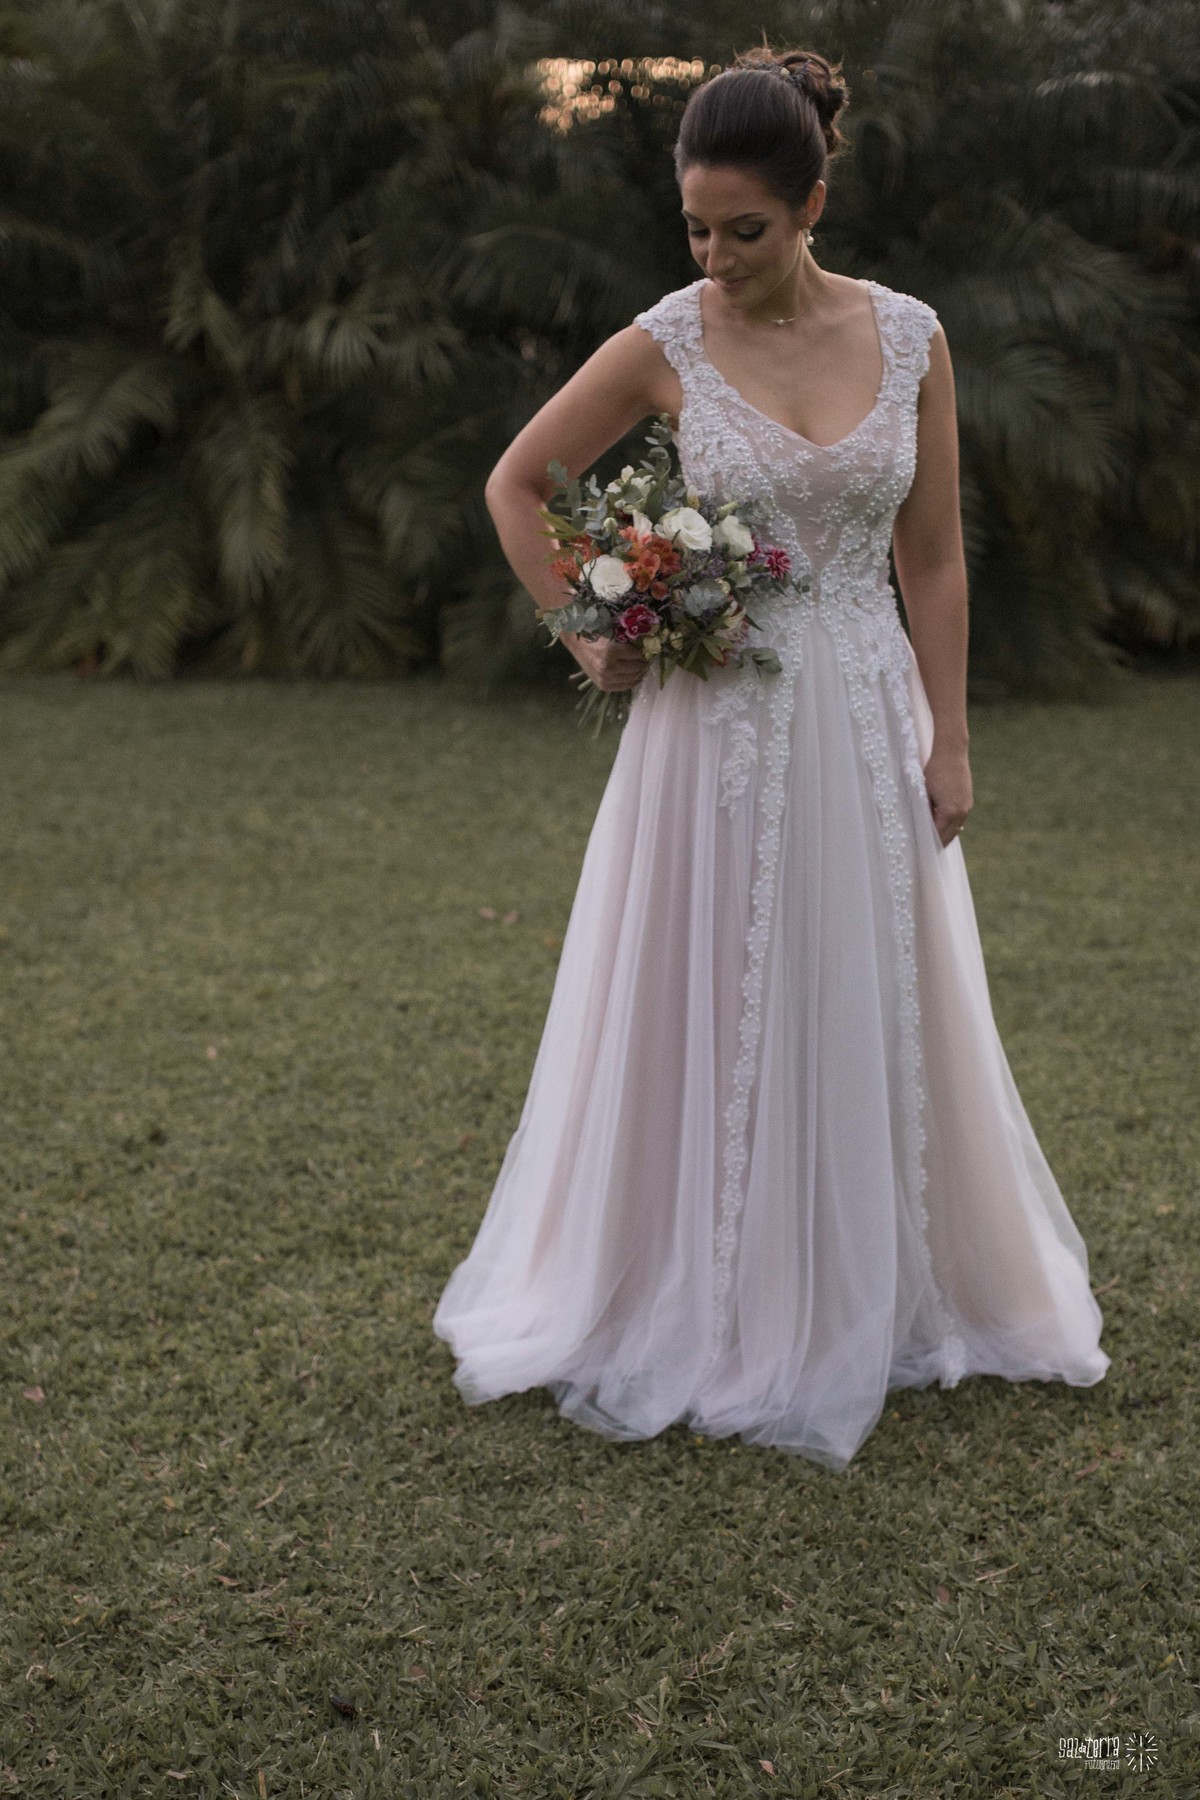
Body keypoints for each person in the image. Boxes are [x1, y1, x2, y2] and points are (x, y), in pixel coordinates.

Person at [432, 46, 1110, 1472]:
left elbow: (932, 556)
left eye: (746, 229)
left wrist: (955, 736)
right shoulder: (666, 340)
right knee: (713, 990)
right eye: (695, 227)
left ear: (812, 201)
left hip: (865, 715)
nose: (716, 257)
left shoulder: (912, 336)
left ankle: (875, 1284)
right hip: (714, 724)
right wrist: (582, 629)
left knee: (860, 984)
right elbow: (516, 479)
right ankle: (707, 1288)